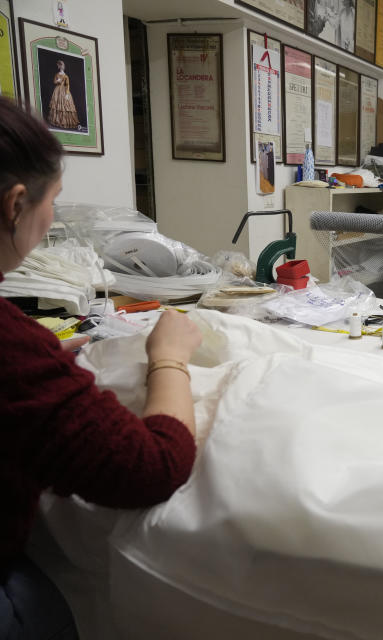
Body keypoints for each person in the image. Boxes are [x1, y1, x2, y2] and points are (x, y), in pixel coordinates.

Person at [0, 97, 202, 637]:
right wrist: (169, 359)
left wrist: (41, 369)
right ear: (15, 205)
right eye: (55, 203)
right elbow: (153, 466)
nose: (52, 222)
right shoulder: (12, 348)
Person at [48, 60, 80, 130]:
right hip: (57, 91)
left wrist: (67, 94)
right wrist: (57, 81)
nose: (60, 67)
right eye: (59, 66)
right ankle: (57, 121)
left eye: (61, 65)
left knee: (65, 106)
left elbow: (68, 85)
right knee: (57, 105)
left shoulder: (66, 76)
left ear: (63, 66)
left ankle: (65, 122)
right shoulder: (57, 74)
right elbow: (54, 82)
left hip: (64, 90)